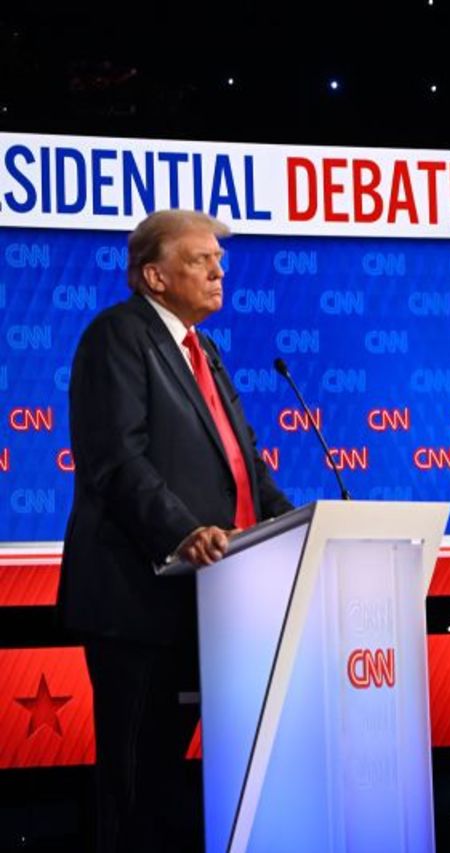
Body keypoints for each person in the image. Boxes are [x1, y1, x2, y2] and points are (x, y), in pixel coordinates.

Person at [58, 209, 293, 851]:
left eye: (219, 259)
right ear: (154, 276)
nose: (218, 271)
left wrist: (298, 526)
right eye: (200, 260)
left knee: (184, 793)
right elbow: (115, 457)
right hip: (138, 602)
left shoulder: (201, 349)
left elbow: (243, 461)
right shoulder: (118, 335)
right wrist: (184, 530)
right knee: (137, 786)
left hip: (210, 600)